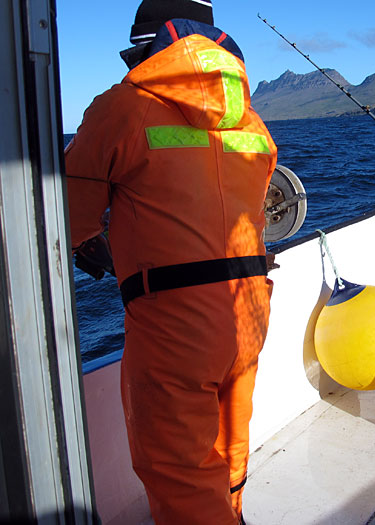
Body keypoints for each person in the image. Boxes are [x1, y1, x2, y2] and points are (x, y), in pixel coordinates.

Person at [65, 1, 277, 523]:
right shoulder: (251, 117)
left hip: (176, 322)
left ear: (146, 43)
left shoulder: (120, 106)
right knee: (230, 443)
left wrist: (94, 248)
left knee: (177, 467)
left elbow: (71, 216)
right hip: (249, 311)